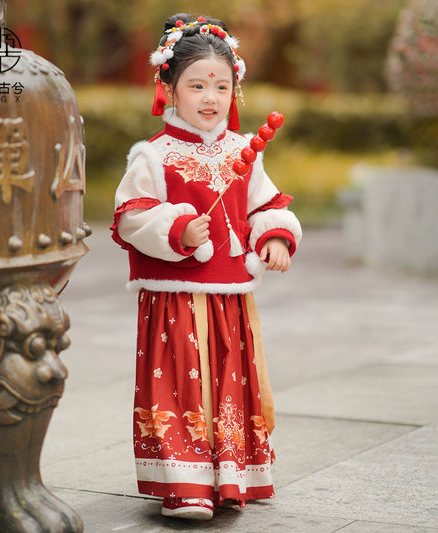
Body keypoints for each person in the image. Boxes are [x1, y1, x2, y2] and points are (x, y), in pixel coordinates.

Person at [111, 13, 302, 520]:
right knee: (179, 383)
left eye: (222, 86)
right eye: (196, 85)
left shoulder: (245, 151)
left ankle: (231, 476)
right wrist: (177, 230)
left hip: (229, 297)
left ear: (235, 91)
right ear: (168, 88)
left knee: (230, 380)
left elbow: (265, 204)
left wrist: (275, 236)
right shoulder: (153, 156)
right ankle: (185, 484)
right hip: (175, 295)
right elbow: (130, 215)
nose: (210, 97)